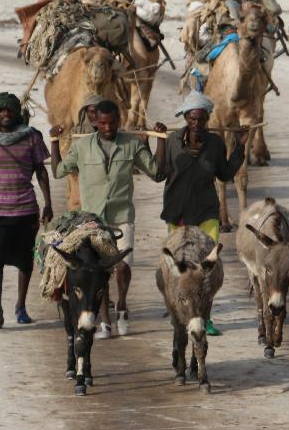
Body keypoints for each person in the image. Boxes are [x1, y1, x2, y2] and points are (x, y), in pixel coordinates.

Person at [50, 99, 166, 338]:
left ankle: (122, 305)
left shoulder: (132, 145)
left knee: (122, 266)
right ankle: (105, 322)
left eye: (112, 122)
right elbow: (58, 170)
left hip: (122, 217)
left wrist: (161, 140)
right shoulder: (82, 147)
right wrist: (54, 141)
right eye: (102, 123)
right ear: (95, 122)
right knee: (96, 272)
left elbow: (157, 173)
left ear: (119, 121)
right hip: (92, 222)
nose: (108, 127)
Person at [159, 91, 247, 336]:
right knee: (180, 266)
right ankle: (180, 314)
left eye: (201, 118)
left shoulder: (216, 143)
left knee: (207, 267)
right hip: (178, 212)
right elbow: (158, 173)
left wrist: (240, 147)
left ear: (208, 118)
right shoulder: (173, 141)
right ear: (186, 117)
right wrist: (155, 140)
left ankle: (205, 318)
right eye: (192, 118)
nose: (197, 123)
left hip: (207, 211)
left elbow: (225, 174)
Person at [0, 93, 52, 328]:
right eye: (1, 111)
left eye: (10, 110)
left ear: (17, 113)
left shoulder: (32, 137)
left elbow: (41, 171)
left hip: (26, 210)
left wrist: (48, 203)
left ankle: (20, 306)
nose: (6, 114)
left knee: (24, 260)